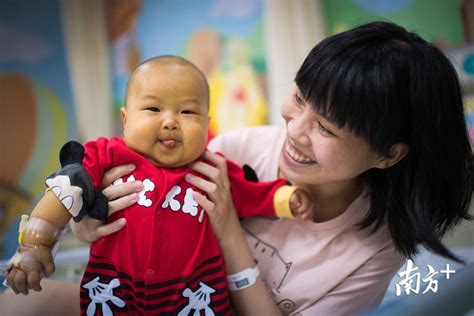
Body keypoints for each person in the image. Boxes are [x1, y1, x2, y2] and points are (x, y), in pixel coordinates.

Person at [1, 20, 472, 315]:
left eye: (326, 127)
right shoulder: (237, 148)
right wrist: (93, 220)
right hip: (133, 301)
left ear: (389, 154)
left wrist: (229, 232)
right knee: (22, 304)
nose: (295, 131)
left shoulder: (376, 249)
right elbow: (115, 210)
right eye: (300, 99)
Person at [1, 56, 312, 314]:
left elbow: (252, 194)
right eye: (153, 109)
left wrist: (286, 198)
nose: (170, 121)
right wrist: (35, 244)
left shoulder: (212, 169)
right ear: (125, 120)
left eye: (188, 112)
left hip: (195, 298)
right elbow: (65, 188)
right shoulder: (106, 155)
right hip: (116, 294)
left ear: (207, 123)